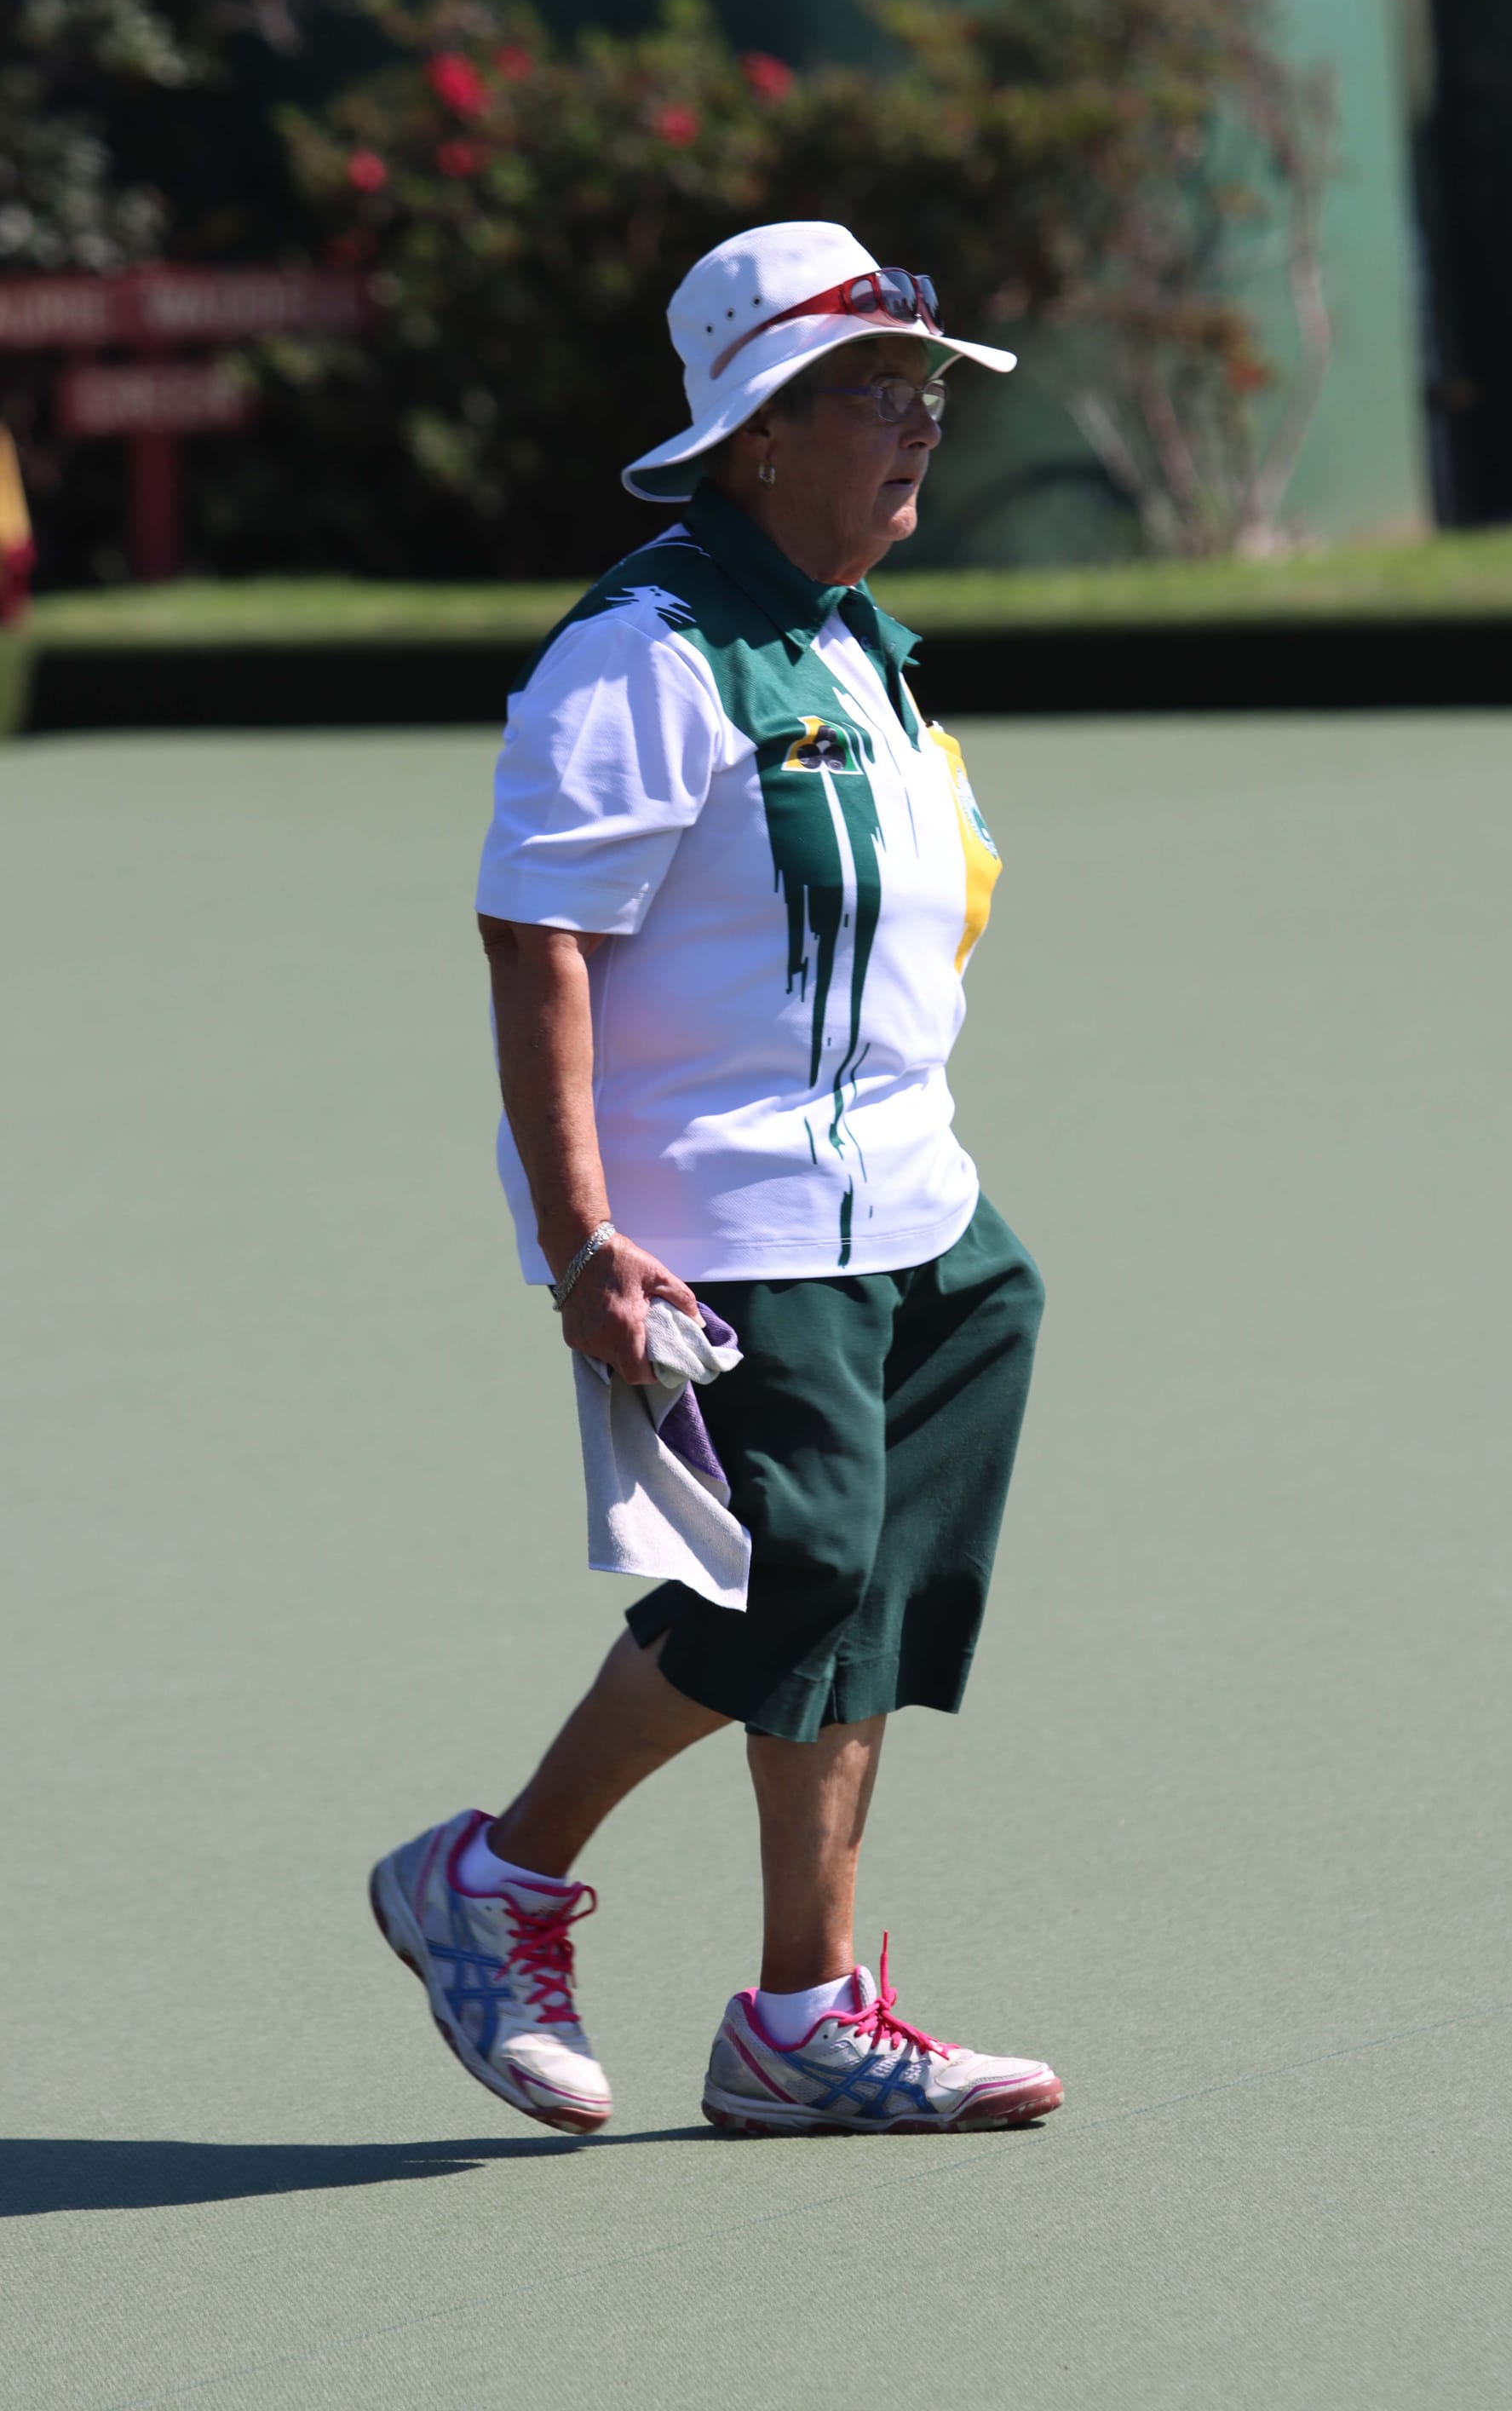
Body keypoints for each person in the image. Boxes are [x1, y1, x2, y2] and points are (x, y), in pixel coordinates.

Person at [370, 221, 1060, 2137]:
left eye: (928, 394)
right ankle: (491, 1883)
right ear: (760, 431)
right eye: (878, 395)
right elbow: (538, 942)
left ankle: (802, 2015)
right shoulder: (644, 650)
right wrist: (588, 1235)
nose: (921, 427)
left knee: (865, 1597)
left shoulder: (850, 639)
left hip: (917, 1210)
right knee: (794, 1566)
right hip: (721, 1221)